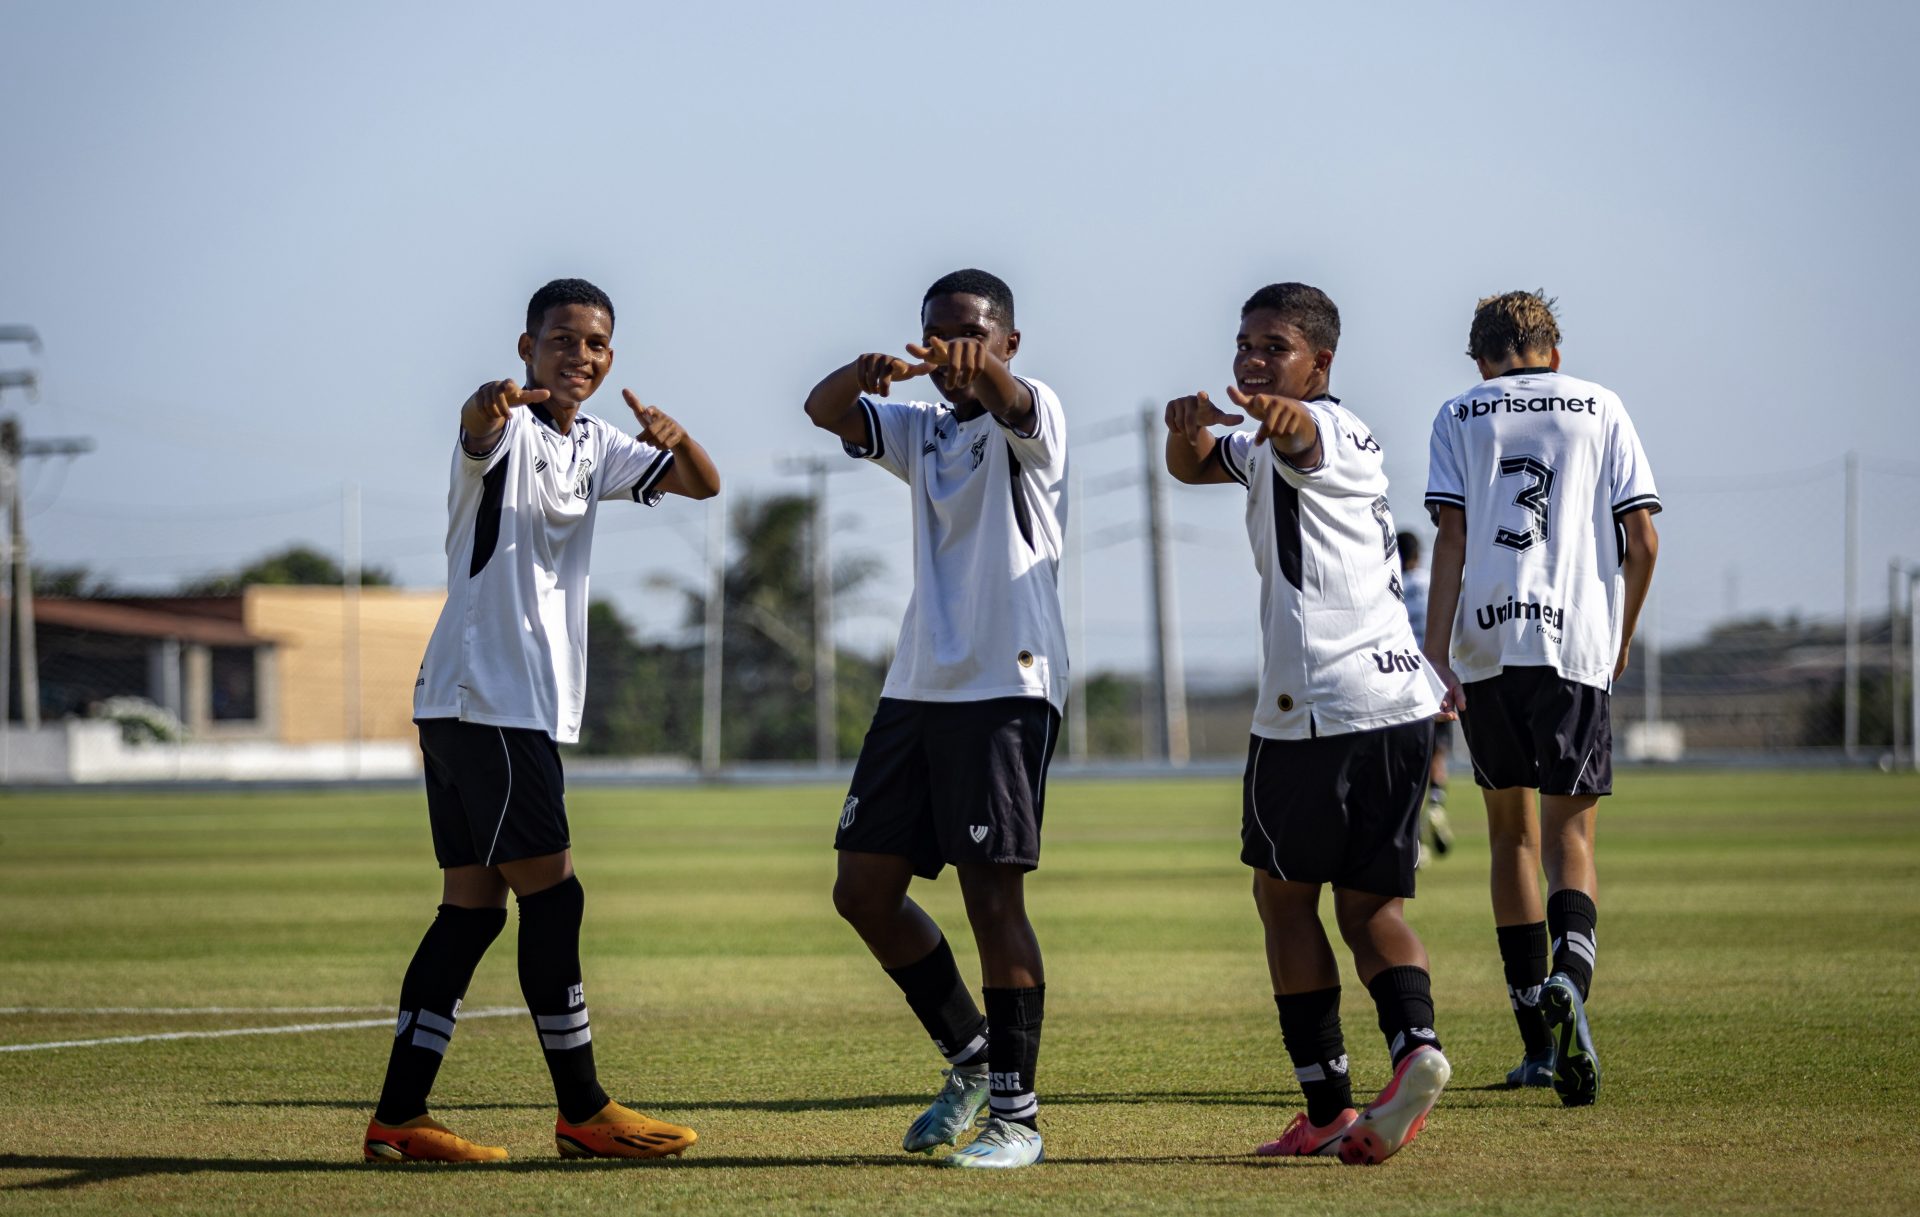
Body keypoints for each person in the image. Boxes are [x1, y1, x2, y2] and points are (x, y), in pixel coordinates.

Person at [364, 278, 722, 1162]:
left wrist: (679, 441)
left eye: (597, 344)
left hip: (481, 705)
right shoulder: (507, 429)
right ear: (526, 348)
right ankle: (583, 1110)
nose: (581, 356)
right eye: (562, 340)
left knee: (472, 912)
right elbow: (477, 425)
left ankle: (397, 1120)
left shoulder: (595, 443)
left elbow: (704, 486)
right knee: (554, 897)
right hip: (488, 701)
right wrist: (487, 407)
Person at [1163, 282, 1450, 1165]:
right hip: (1402, 704)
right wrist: (1187, 428)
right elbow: (1195, 466)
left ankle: (1326, 1106)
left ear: (1321, 362)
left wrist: (1265, 409)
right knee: (1374, 908)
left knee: (1282, 897)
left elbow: (1295, 432)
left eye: (1274, 346)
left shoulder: (1321, 430)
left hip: (1316, 707)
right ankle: (1416, 1050)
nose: (1252, 359)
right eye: (1244, 343)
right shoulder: (1295, 440)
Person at [803, 268, 1067, 1170]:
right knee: (861, 889)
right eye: (936, 334)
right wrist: (867, 369)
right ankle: (971, 1057)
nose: (951, 350)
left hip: (1006, 683)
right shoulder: (923, 429)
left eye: (971, 333)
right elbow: (821, 407)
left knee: (992, 894)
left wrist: (975, 367)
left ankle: (1017, 1118)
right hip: (918, 684)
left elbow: (1010, 399)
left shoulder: (1036, 414)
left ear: (1009, 342)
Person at [1422, 290, 1660, 1106]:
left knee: (1510, 840)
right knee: (1572, 837)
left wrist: (1433, 655)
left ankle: (1535, 1041)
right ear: (1553, 352)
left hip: (1488, 644)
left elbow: (1451, 535)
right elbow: (1645, 537)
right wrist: (1620, 631)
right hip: (1574, 644)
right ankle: (1571, 977)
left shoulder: (1459, 412)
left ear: (1481, 358)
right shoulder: (1599, 404)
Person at [1398, 531, 1455, 862]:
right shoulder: (1431, 583)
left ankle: (1413, 842)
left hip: (1402, 684)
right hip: (1435, 684)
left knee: (1406, 764)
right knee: (1438, 755)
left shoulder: (1390, 586)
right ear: (1419, 555)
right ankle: (1435, 804)